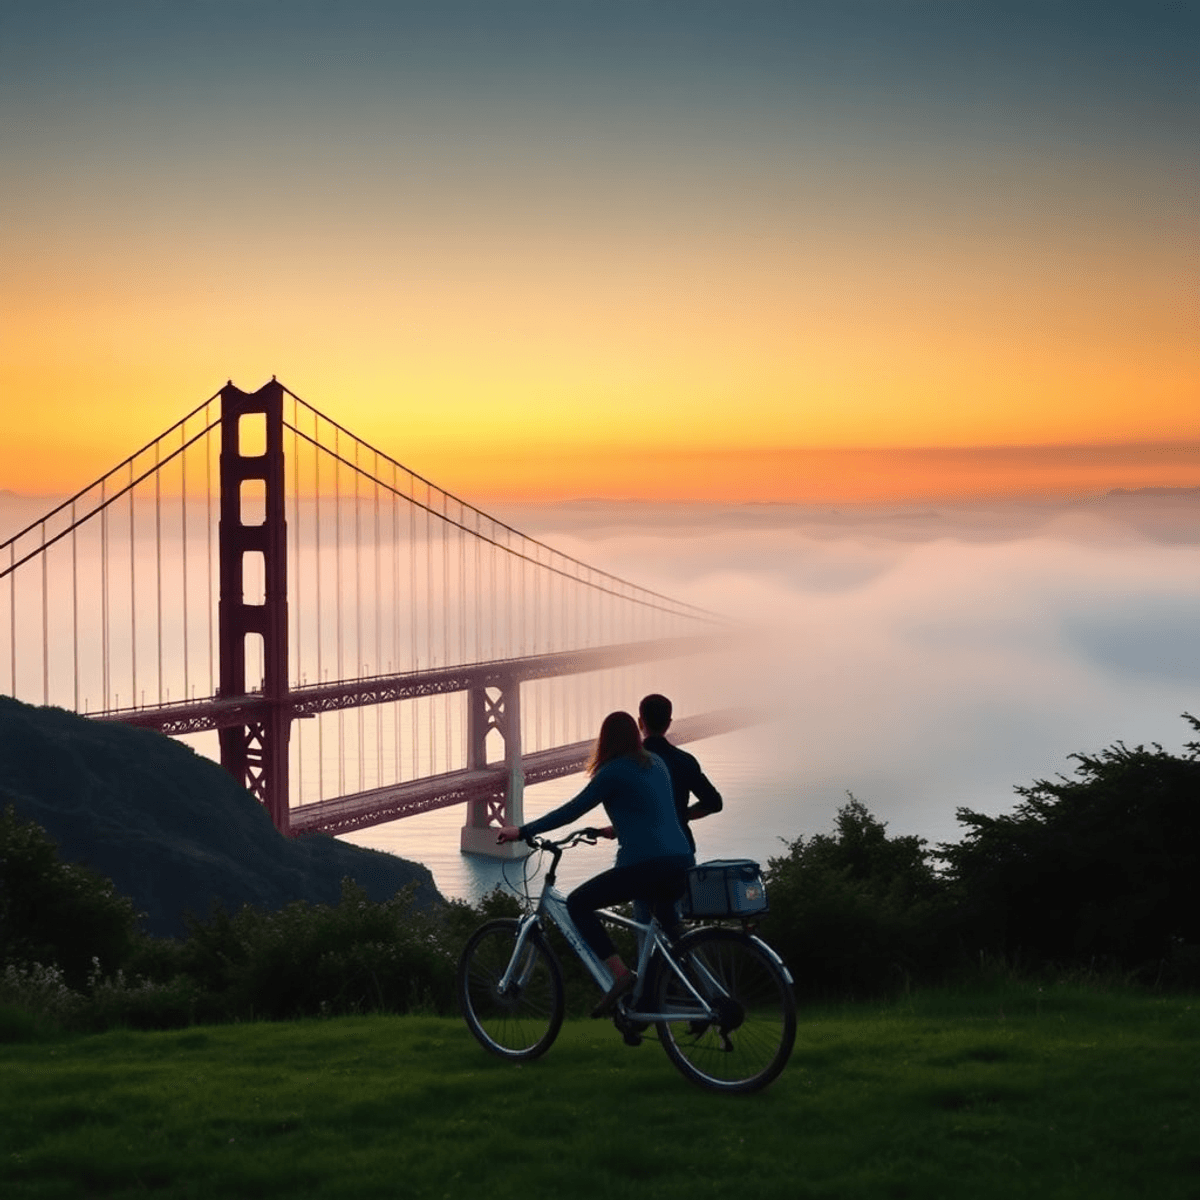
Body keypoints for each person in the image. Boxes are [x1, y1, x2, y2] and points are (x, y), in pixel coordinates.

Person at [497, 710, 693, 1017]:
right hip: (681, 860)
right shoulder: (657, 764)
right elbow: (654, 812)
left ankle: (621, 975)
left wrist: (522, 831)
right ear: (635, 734)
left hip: (646, 865)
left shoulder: (613, 771)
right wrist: (615, 829)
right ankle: (677, 999)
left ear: (605, 739)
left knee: (578, 903)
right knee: (671, 934)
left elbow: (572, 810)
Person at [637, 693, 723, 854]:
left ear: (640, 722)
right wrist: (682, 816)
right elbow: (714, 803)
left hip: (642, 850)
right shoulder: (685, 760)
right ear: (669, 724)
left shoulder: (626, 763)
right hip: (681, 848)